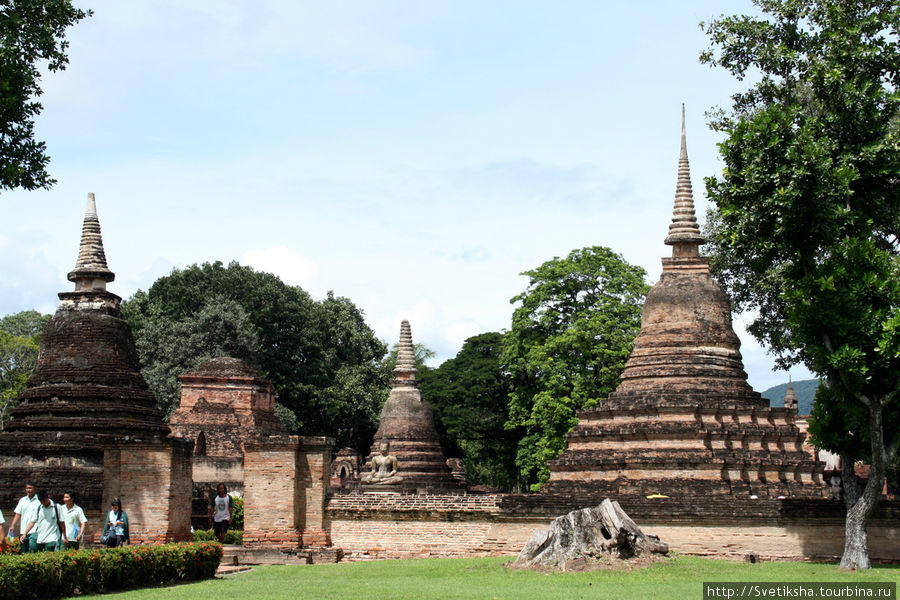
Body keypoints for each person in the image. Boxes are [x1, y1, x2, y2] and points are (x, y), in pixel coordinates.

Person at [12, 483, 40, 553]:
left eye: (30, 488)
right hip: (23, 529)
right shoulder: (22, 500)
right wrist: (12, 525)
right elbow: (18, 513)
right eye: (27, 488)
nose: (28, 490)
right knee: (24, 550)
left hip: (35, 529)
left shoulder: (39, 500)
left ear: (35, 489)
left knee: (33, 547)